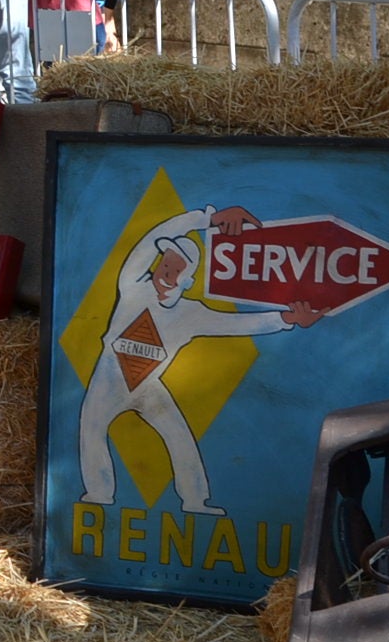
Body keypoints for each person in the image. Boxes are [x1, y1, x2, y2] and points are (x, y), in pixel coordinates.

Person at [78, 204, 322, 516]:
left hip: (149, 384)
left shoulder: (190, 313)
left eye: (176, 268)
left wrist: (287, 318)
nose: (167, 271)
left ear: (187, 279)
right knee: (91, 426)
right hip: (109, 378)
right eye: (166, 263)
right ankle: (98, 495)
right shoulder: (132, 289)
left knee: (179, 435)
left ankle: (195, 501)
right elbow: (152, 237)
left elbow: (236, 325)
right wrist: (205, 220)